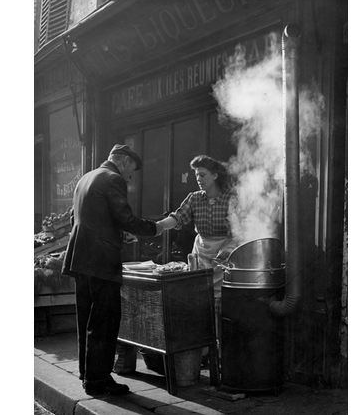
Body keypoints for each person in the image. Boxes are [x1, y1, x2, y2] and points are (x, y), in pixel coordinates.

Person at [61, 144, 164, 396]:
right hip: (101, 261)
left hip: (80, 259)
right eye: (132, 170)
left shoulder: (87, 177)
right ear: (125, 161)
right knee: (104, 321)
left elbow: (81, 218)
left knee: (86, 319)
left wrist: (116, 233)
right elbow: (125, 218)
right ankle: (99, 381)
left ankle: (87, 373)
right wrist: (157, 227)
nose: (130, 177)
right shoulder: (113, 178)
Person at [155, 155, 237, 347]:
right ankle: (203, 347)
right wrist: (158, 226)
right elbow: (177, 217)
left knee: (220, 302)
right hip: (201, 252)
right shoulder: (194, 198)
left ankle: (221, 347)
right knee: (200, 299)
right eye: (197, 175)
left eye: (203, 175)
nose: (198, 179)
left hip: (225, 254)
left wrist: (230, 247)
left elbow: (243, 228)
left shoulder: (230, 198)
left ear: (215, 175)